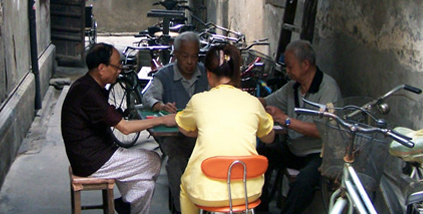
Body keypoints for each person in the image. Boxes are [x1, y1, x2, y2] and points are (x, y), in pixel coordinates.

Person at [61, 43, 176, 214]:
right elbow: (125, 128)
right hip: (92, 160)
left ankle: (125, 205)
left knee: (145, 185)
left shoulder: (88, 85)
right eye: (116, 66)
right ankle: (125, 204)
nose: (120, 70)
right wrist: (163, 121)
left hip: (98, 152)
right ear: (101, 68)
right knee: (153, 160)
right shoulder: (88, 92)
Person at [174, 44, 275, 214]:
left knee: (185, 185)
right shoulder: (253, 102)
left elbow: (184, 128)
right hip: (248, 191)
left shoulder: (198, 101)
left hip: (207, 192)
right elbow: (268, 138)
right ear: (236, 73)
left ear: (208, 74)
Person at [257, 40, 341, 214]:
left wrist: (286, 120)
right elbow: (266, 101)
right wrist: (238, 98)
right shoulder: (292, 88)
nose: (287, 71)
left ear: (305, 64)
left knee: (304, 183)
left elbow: (322, 131)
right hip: (293, 149)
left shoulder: (328, 89)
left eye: (290, 67)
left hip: (318, 154)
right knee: (259, 161)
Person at [141, 31, 210, 214]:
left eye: (194, 56)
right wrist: (160, 105)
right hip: (174, 137)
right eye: (185, 56)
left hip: (202, 136)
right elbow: (147, 96)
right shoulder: (164, 75)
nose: (190, 62)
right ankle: (182, 210)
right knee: (177, 162)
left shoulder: (206, 74)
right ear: (176, 54)